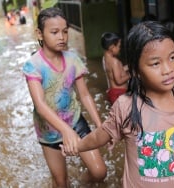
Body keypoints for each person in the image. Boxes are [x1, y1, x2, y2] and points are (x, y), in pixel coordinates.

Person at [61, 21, 174, 188]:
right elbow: (100, 136)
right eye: (155, 63)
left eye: (172, 57)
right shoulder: (126, 106)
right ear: (136, 70)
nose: (168, 69)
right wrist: (77, 147)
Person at [22, 7, 107, 187]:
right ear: (40, 33)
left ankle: (83, 182)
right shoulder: (33, 65)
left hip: (75, 121)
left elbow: (84, 95)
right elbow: (40, 105)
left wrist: (100, 126)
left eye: (65, 32)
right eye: (54, 32)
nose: (61, 37)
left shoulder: (72, 59)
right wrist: (66, 131)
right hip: (49, 132)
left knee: (99, 172)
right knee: (61, 182)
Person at [101, 32, 130, 105]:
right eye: (119, 46)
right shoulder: (115, 62)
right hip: (119, 94)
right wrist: (131, 74)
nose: (120, 48)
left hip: (113, 92)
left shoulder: (105, 59)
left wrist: (129, 67)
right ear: (112, 48)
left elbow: (116, 71)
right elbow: (119, 81)